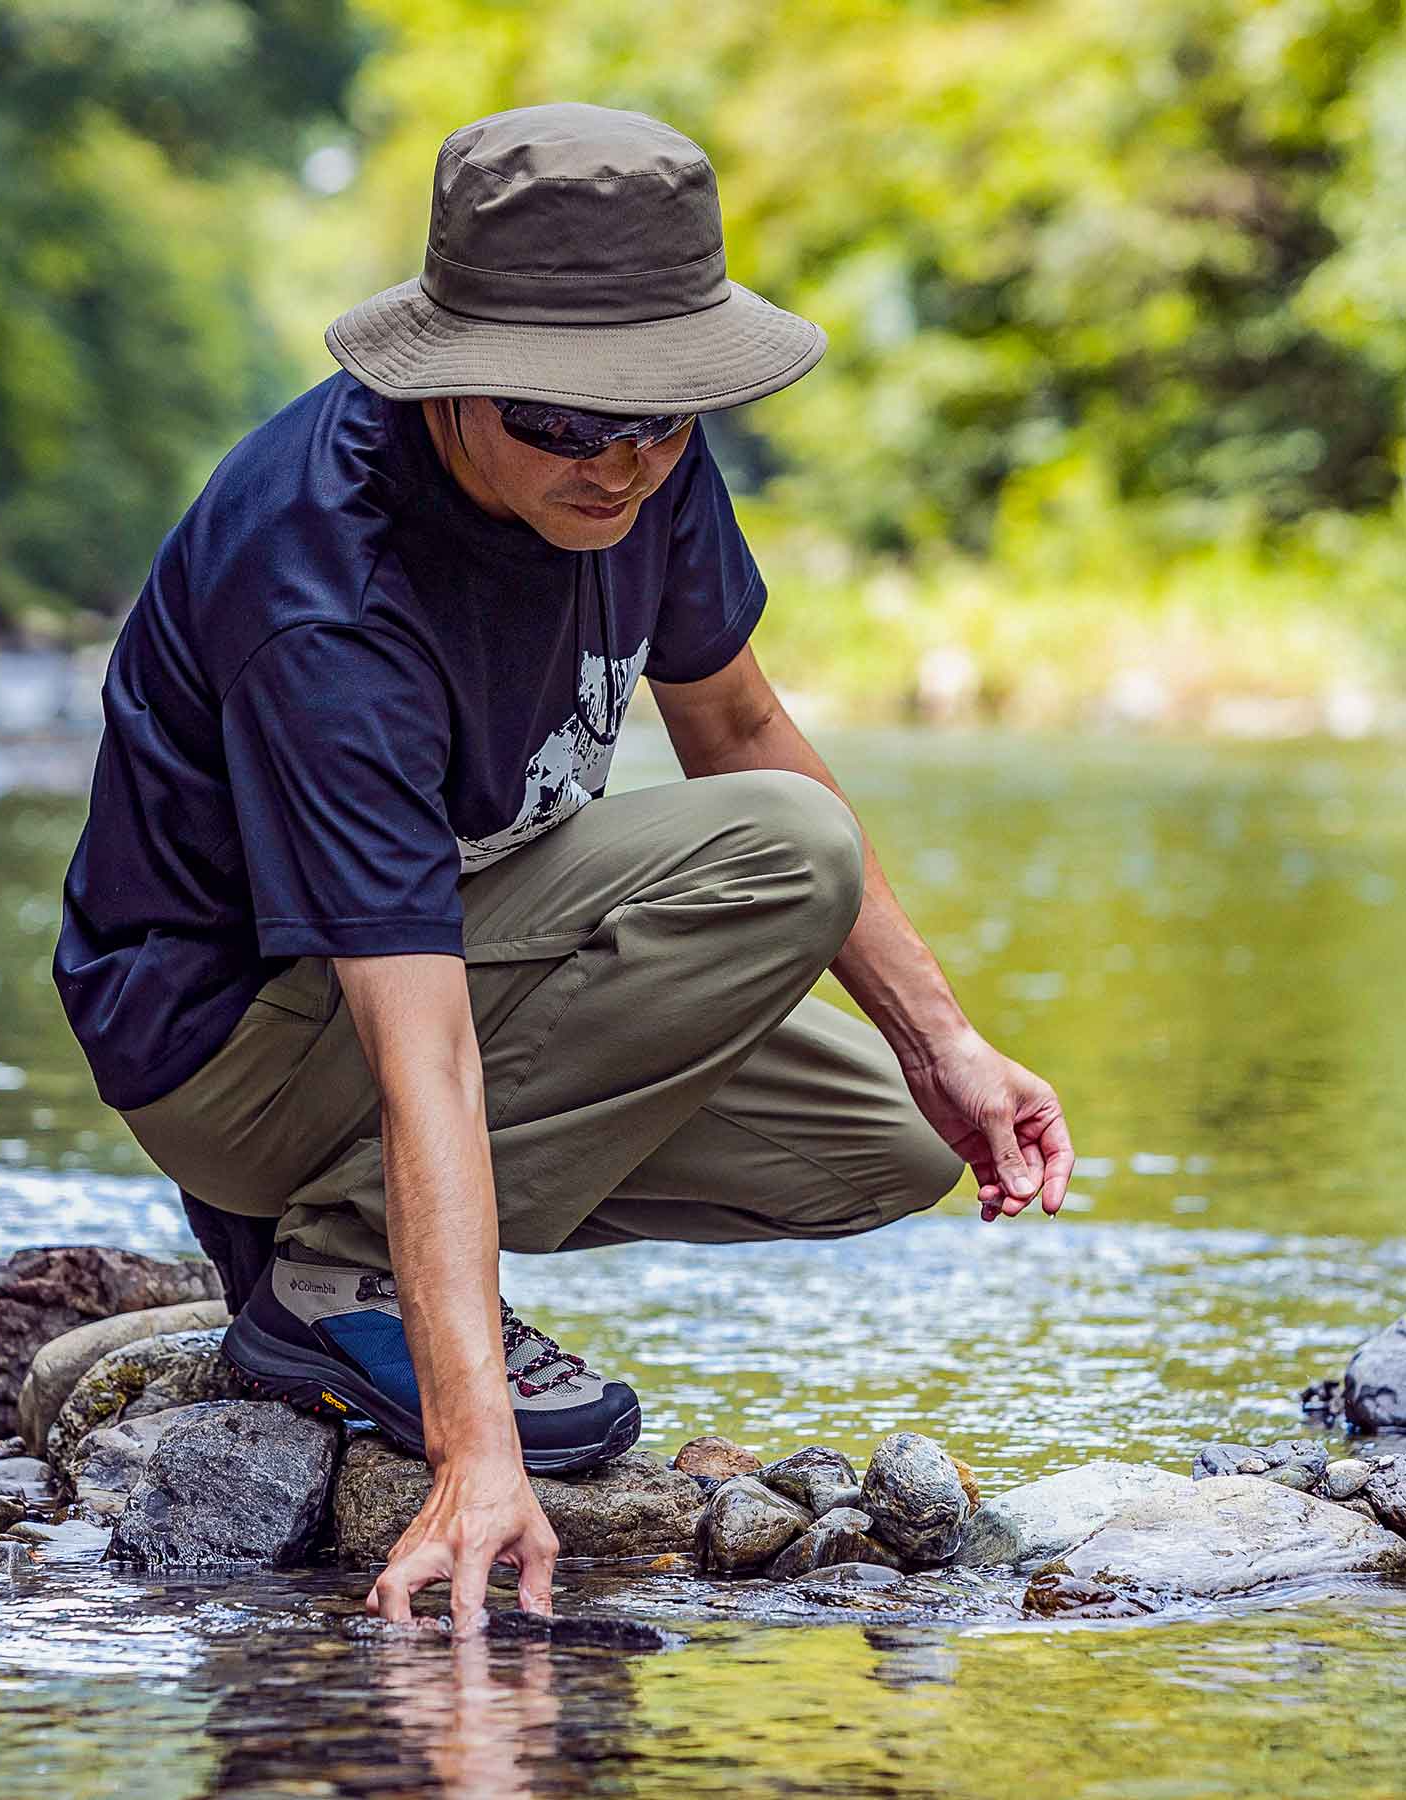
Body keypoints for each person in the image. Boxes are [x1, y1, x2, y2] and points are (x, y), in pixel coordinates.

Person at [52, 102, 1074, 1633]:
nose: (620, 465)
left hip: (448, 958)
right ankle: (335, 1280)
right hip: (234, 1047)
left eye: (657, 418)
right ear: (449, 380)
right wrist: (477, 1456)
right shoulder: (325, 585)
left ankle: (351, 1270)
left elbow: (737, 720)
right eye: (564, 422)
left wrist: (950, 1043)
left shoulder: (645, 462)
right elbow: (428, 1053)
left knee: (884, 1144)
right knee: (785, 856)